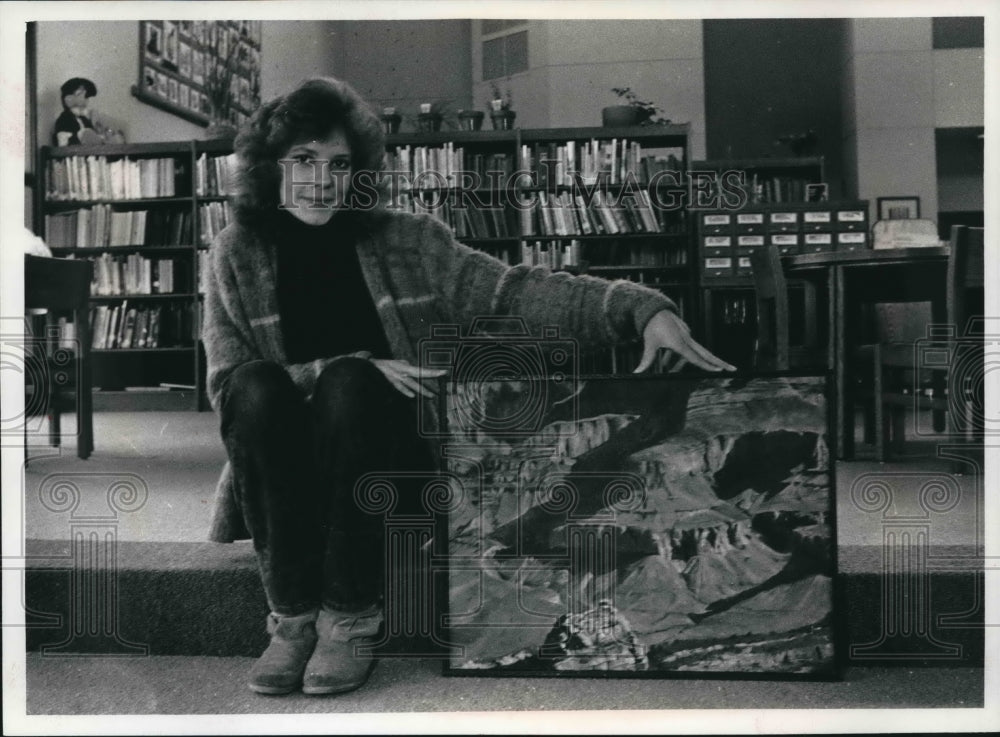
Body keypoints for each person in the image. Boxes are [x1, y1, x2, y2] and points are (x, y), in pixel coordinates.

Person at [202, 76, 733, 697]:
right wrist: (337, 366)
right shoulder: (236, 249)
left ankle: (349, 620)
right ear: (270, 167)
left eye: (339, 163)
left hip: (387, 462)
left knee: (351, 385)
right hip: (286, 460)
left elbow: (516, 292)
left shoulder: (407, 241)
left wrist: (639, 307)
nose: (323, 179)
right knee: (262, 384)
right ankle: (291, 622)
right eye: (303, 160)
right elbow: (227, 385)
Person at [53, 77, 100, 146]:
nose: (85, 98)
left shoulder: (85, 120)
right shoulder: (64, 119)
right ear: (68, 98)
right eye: (79, 94)